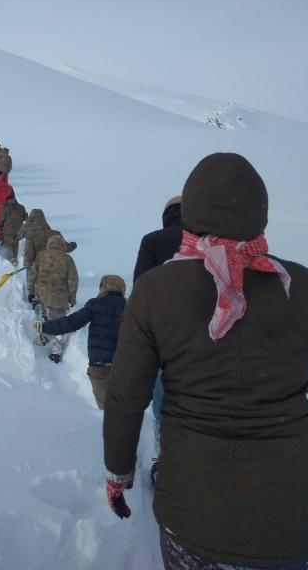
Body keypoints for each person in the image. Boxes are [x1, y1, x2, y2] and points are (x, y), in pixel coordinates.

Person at [103, 153, 308, 570]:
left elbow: (126, 395)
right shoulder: (304, 287)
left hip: (193, 523)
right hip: (294, 522)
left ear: (191, 212)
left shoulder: (154, 291)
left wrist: (118, 472)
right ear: (260, 212)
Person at [132, 194, 183, 482]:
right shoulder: (212, 244)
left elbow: (142, 292)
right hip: (208, 339)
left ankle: (166, 461)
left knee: (164, 399)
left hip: (163, 340)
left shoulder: (153, 242)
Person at [32, 274, 126, 405]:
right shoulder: (130, 308)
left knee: (105, 408)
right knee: (123, 405)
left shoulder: (96, 305)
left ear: (103, 288)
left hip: (99, 366)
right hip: (124, 366)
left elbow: (71, 323)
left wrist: (45, 327)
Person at [28, 234, 79, 362]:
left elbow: (32, 274)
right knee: (59, 323)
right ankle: (55, 351)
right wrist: (72, 298)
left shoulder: (41, 256)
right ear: (62, 245)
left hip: (43, 294)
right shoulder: (67, 259)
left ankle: (43, 338)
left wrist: (31, 291)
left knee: (48, 316)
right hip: (59, 296)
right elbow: (73, 280)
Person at [133, 195, 182, 282]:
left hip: (161, 294)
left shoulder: (150, 240)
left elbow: (140, 280)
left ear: (166, 216)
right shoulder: (205, 239)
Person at [0, 194, 27, 264]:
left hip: (8, 230)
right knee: (16, 243)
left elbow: (2, 219)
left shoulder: (5, 207)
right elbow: (25, 218)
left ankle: (12, 258)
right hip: (19, 229)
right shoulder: (21, 207)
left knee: (8, 244)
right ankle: (16, 257)